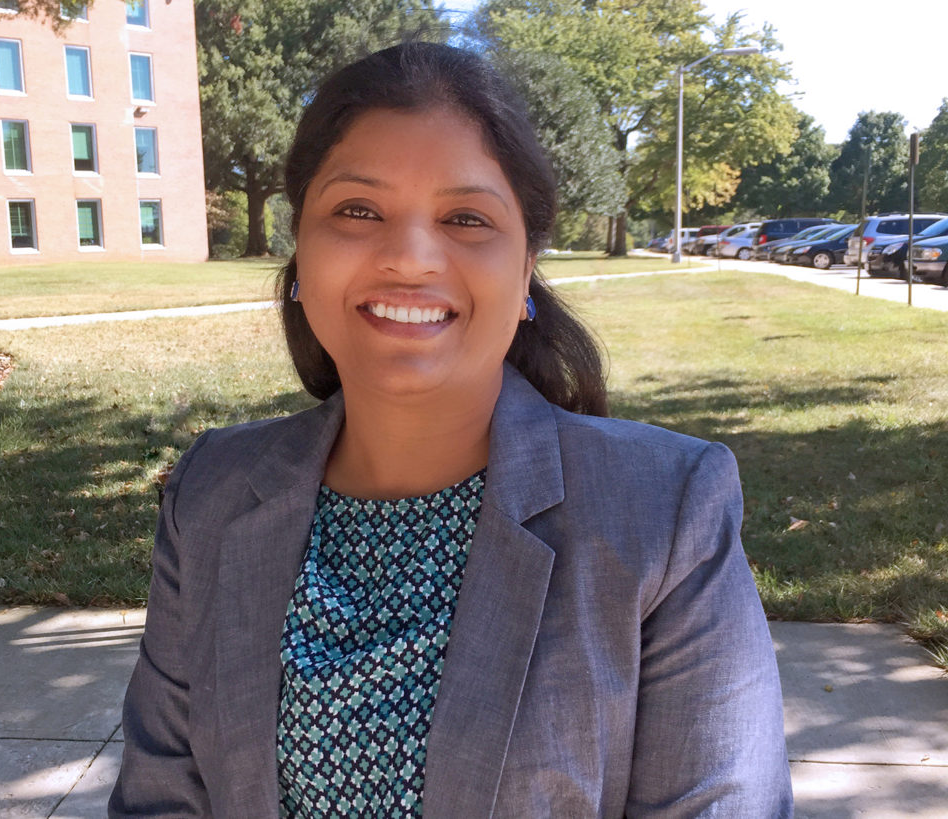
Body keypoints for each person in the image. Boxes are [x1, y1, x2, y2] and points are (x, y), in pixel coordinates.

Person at [109, 42, 792, 818]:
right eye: (358, 210)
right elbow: (162, 797)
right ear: (300, 245)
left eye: (466, 218)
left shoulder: (665, 514)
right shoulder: (211, 494)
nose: (409, 258)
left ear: (527, 263)